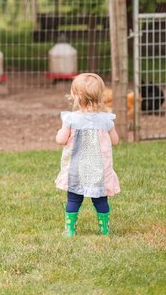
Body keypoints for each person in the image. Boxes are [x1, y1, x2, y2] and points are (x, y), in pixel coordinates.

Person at [54, 72, 121, 236]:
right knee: (100, 199)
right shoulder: (106, 120)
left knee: (74, 199)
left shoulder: (70, 119)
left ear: (76, 96)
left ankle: (70, 230)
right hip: (99, 170)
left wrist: (61, 132)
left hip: (77, 170)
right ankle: (104, 229)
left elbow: (61, 140)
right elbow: (116, 141)